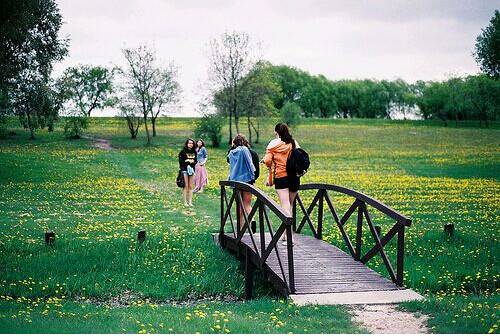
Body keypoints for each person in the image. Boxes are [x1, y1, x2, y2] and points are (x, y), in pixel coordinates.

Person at [262, 123, 300, 243]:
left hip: (281, 176)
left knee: (285, 205)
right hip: (294, 177)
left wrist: (265, 162)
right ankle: (286, 234)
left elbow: (268, 160)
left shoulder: (273, 144)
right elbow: (300, 156)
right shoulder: (293, 142)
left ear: (276, 132)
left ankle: (289, 237)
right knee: (290, 205)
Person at [227, 134, 255, 231]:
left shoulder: (231, 153)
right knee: (247, 203)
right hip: (247, 179)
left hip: (236, 180)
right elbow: (249, 162)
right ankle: (252, 220)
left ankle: (240, 227)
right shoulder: (245, 150)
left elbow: (231, 167)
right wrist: (252, 173)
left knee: (239, 204)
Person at [178, 138, 197, 206]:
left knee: (191, 186)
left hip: (192, 170)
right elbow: (181, 161)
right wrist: (187, 161)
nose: (191, 144)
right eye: (189, 143)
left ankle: (190, 202)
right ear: (187, 144)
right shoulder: (183, 152)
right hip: (185, 170)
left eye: (192, 143)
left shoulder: (194, 152)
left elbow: (196, 161)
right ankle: (185, 202)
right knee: (185, 186)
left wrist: (192, 162)